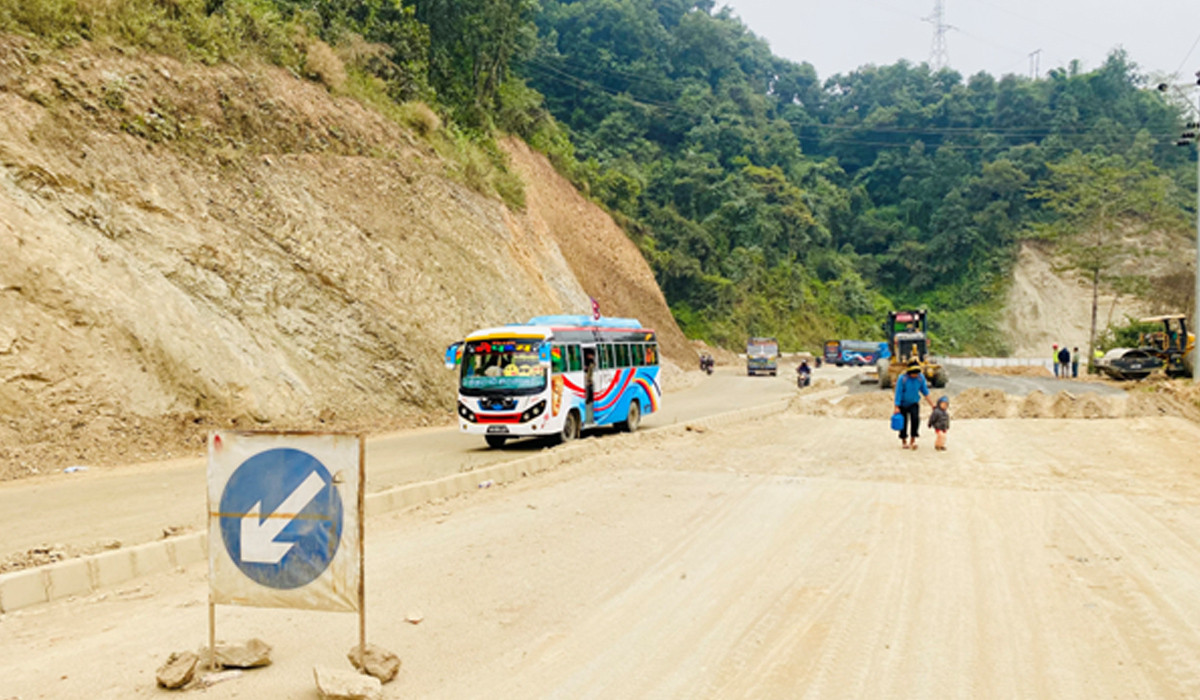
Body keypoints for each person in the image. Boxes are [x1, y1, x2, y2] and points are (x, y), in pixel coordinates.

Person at [894, 360, 935, 450]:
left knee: (915, 420)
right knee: (903, 423)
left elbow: (925, 392)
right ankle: (904, 441)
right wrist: (896, 406)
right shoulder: (902, 379)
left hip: (914, 403)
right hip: (903, 404)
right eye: (913, 373)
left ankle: (913, 440)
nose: (915, 375)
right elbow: (898, 393)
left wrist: (932, 404)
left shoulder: (920, 378)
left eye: (917, 373)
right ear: (909, 372)